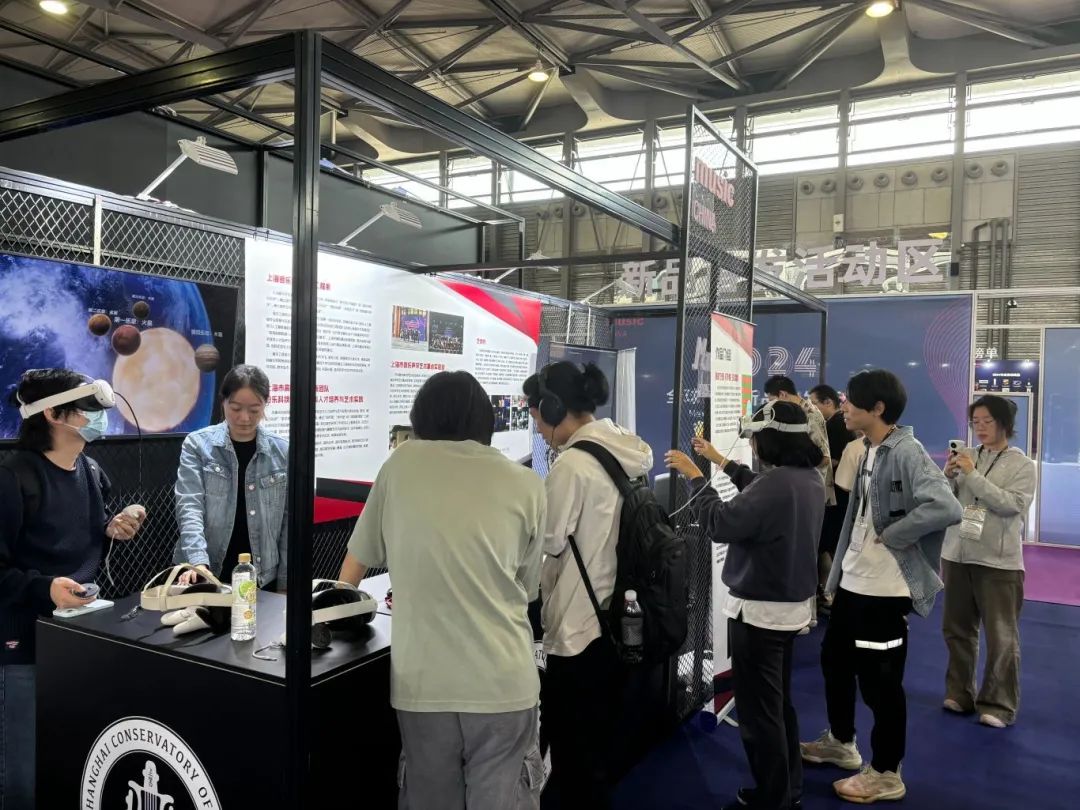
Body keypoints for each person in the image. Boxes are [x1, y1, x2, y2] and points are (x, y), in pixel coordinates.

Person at [339, 370, 547, 810]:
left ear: (422, 417)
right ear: (486, 420)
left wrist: (332, 616)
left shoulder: (399, 467)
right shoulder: (527, 484)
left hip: (423, 684)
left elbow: (357, 561)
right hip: (504, 682)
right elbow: (528, 589)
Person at [800, 369, 962, 804]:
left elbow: (946, 506)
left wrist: (895, 534)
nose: (843, 407)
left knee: (880, 684)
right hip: (855, 583)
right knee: (834, 662)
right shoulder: (868, 448)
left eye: (851, 401)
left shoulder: (906, 451)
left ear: (878, 408)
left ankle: (887, 772)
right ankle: (841, 742)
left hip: (885, 592)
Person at [0, 369, 146, 809]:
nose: (97, 418)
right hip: (24, 642)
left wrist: (111, 527)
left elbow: (81, 532)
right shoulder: (13, 478)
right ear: (52, 414)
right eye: (87, 409)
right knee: (21, 773)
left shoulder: (91, 470)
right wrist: (45, 588)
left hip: (79, 638)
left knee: (71, 753)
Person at [666, 401, 824, 810]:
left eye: (755, 438)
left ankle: (772, 799)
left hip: (760, 613)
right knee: (778, 706)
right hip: (786, 610)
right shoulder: (806, 477)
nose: (752, 445)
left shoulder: (778, 484)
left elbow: (720, 524)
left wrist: (696, 478)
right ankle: (787, 789)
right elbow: (758, 488)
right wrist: (720, 461)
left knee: (758, 714)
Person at [523, 361, 652, 810]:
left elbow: (548, 540)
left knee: (572, 750)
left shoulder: (573, 465)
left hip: (579, 626)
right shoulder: (626, 448)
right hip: (616, 618)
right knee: (597, 747)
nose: (539, 431)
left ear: (553, 408)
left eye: (536, 418)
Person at [942, 395, 1035, 729]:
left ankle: (998, 704)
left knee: (1001, 636)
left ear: (1005, 424)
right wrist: (948, 476)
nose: (979, 427)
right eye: (975, 421)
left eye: (987, 421)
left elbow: (1011, 505)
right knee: (956, 630)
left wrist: (972, 476)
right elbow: (946, 501)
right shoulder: (967, 456)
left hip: (999, 562)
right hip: (957, 553)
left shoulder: (1022, 465)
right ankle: (959, 692)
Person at [174, 365, 288, 589]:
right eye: (235, 408)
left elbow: (288, 521)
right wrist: (198, 562)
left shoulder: (282, 451)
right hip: (207, 570)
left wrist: (285, 583)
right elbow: (189, 505)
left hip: (263, 575)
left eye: (254, 409)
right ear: (223, 402)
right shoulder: (198, 445)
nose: (244, 418)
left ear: (266, 404)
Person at [809, 385, 857, 609]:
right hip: (835, 496)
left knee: (831, 544)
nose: (812, 409)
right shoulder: (834, 424)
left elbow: (832, 460)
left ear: (828, 402)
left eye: (814, 403)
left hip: (836, 497)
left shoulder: (836, 425)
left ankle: (834, 595)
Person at [765, 376, 835, 507]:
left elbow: (824, 458)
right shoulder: (794, 413)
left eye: (772, 401)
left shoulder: (810, 414)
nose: (772, 407)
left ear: (783, 394)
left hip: (812, 492)